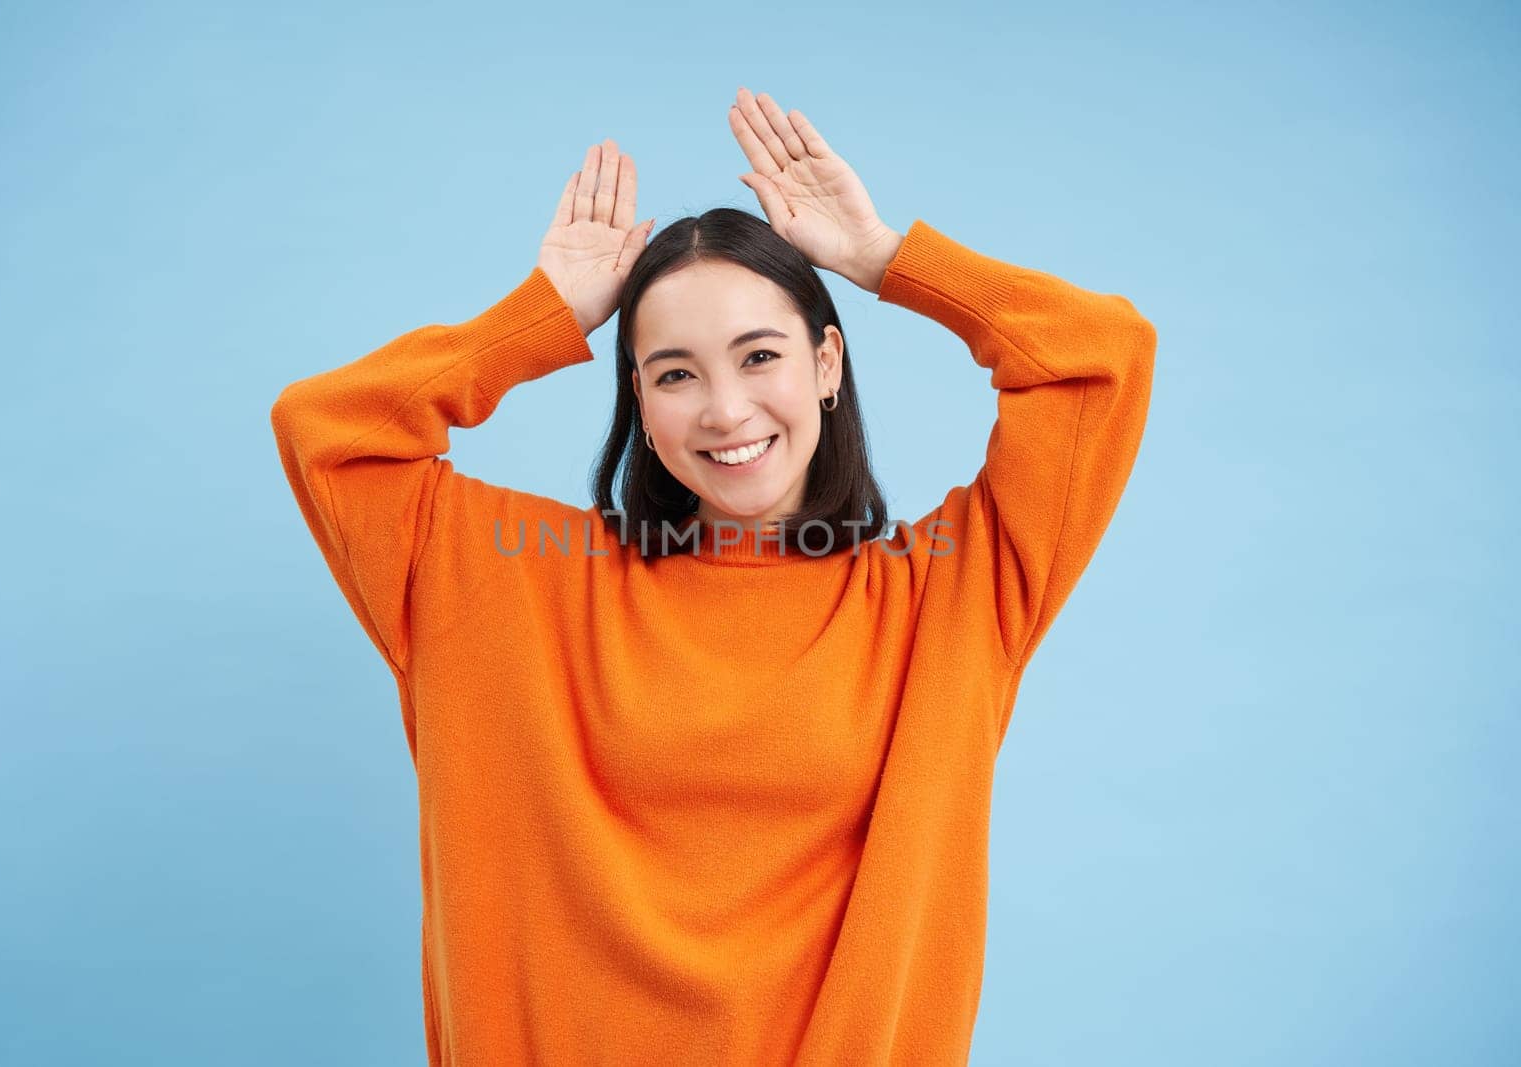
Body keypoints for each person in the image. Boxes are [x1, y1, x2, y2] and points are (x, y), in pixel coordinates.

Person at [270, 86, 1156, 1066]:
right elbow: (330, 425)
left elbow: (1098, 354)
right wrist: (543, 316)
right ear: (639, 398)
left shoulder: (947, 593)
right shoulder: (500, 579)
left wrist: (882, 258)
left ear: (827, 362)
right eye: (676, 372)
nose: (725, 410)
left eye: (760, 355)